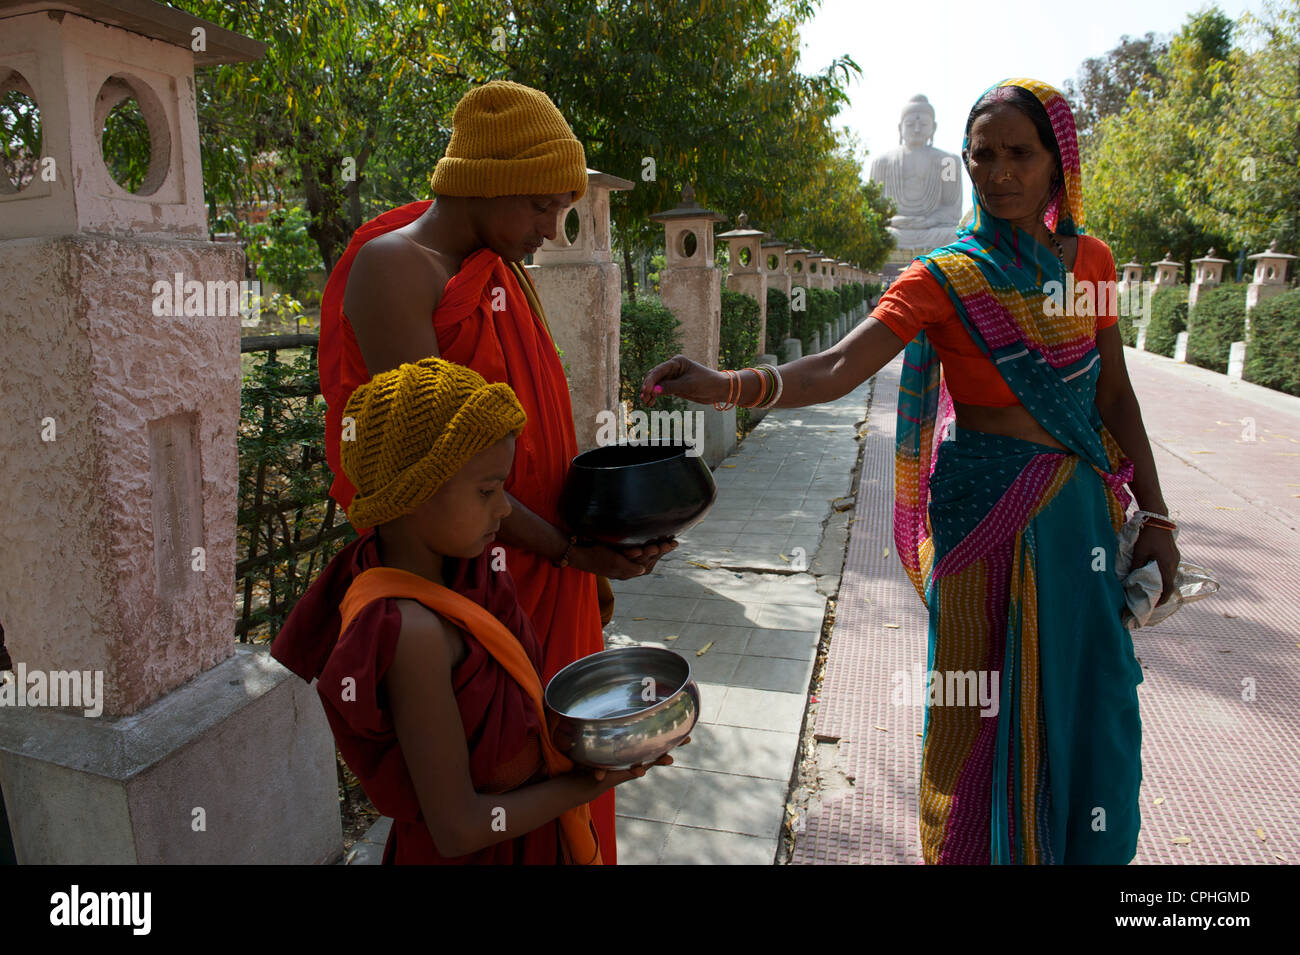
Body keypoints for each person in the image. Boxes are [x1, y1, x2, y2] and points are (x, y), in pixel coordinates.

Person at [640, 78, 1179, 865]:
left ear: (1059, 165)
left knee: (1086, 698)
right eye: (983, 154)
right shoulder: (944, 275)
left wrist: (1159, 517)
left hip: (1078, 528)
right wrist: (729, 385)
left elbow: (1117, 394)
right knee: (975, 709)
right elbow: (833, 367)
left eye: (1019, 154)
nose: (998, 173)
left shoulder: (1091, 262)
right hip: (982, 523)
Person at [318, 80, 676, 862]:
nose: (553, 229)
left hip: (543, 564)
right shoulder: (396, 270)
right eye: (543, 206)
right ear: (487, 182)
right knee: (503, 787)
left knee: (563, 773)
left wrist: (600, 538)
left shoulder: (500, 269)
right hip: (476, 577)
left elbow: (524, 441)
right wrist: (563, 549)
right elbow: (440, 463)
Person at [272, 357, 681, 864]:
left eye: (502, 488)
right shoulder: (411, 631)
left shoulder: (468, 569)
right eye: (487, 491)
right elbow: (459, 829)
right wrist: (591, 783)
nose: (505, 509)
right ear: (412, 493)